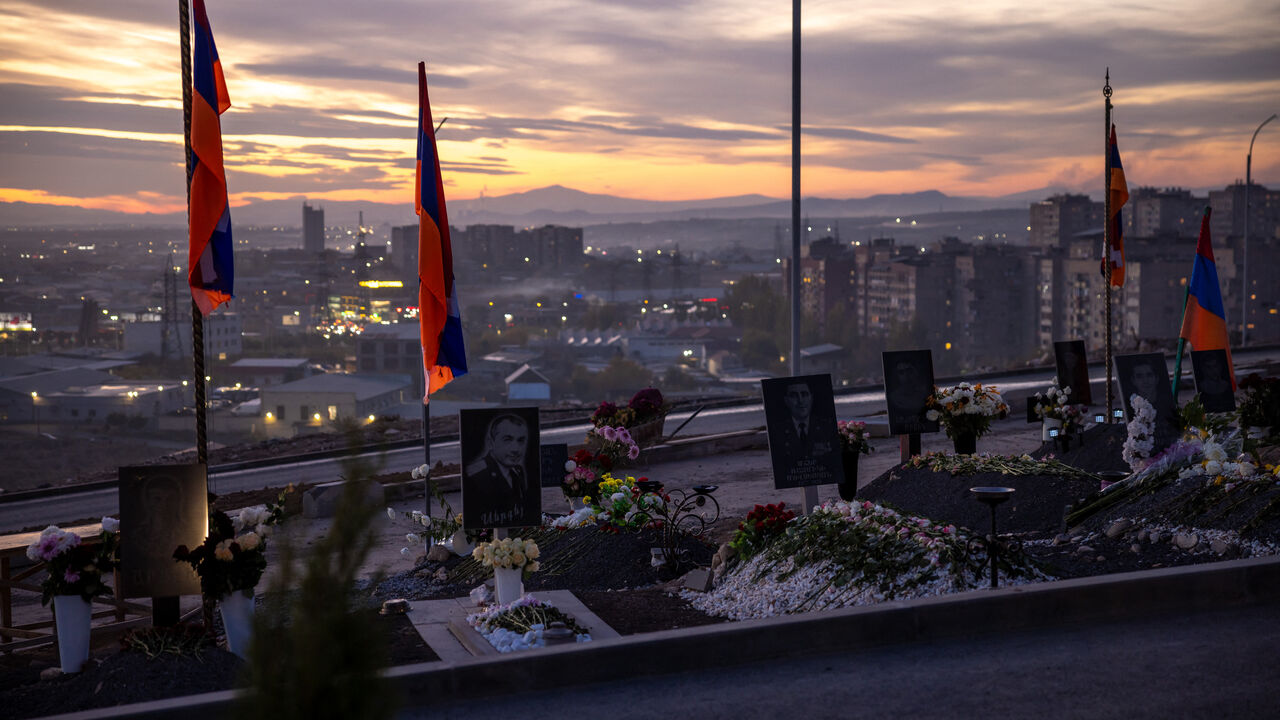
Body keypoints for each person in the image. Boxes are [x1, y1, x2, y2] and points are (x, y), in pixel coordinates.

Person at [464, 413, 539, 528]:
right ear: (491, 443)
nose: (515, 449)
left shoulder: (517, 471)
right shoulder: (476, 475)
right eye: (507, 440)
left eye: (520, 441)